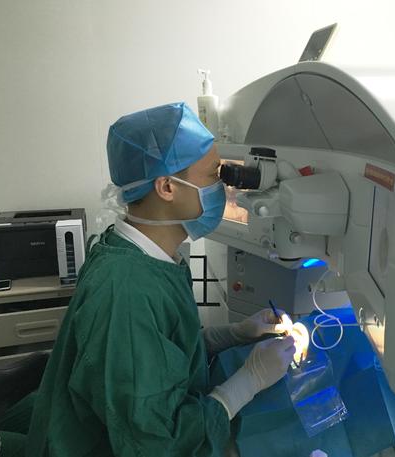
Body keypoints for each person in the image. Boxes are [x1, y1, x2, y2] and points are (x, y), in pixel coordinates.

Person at [24, 102, 296, 457]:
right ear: (167, 187)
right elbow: (154, 442)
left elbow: (156, 351)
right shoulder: (125, 290)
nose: (224, 187)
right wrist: (248, 382)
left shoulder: (141, 253)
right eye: (214, 175)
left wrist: (234, 333)